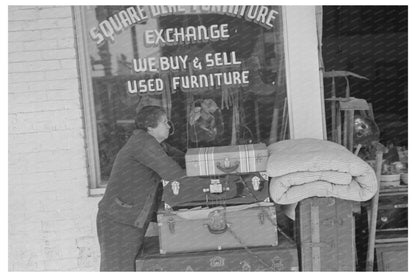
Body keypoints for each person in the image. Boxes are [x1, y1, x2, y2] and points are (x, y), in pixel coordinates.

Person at [96, 105, 186, 271]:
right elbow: (173, 173)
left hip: (127, 219)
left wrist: (203, 160)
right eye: (165, 122)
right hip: (119, 221)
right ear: (150, 127)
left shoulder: (154, 144)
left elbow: (183, 158)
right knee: (118, 270)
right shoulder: (143, 144)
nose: (169, 126)